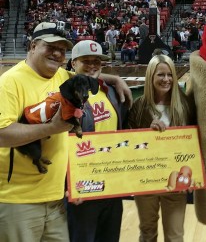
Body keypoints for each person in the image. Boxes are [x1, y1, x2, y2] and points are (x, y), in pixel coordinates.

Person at [0, 22, 132, 242]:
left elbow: (86, 76)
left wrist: (116, 79)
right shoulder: (9, 82)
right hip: (19, 201)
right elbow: (2, 134)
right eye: (50, 46)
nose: (57, 53)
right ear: (33, 46)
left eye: (62, 49)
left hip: (56, 200)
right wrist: (52, 128)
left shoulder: (60, 76)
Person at [128, 54, 195, 242]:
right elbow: (128, 143)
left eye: (169, 74)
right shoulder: (139, 106)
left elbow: (194, 143)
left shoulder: (185, 105)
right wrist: (147, 134)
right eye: (160, 75)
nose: (166, 79)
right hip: (146, 182)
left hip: (176, 184)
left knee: (175, 236)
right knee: (147, 232)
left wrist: (193, 175)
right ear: (151, 76)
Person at [67, 40, 128, 242]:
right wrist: (68, 184)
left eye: (97, 61)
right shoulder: (63, 95)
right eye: (86, 61)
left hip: (112, 183)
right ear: (73, 63)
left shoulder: (109, 90)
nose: (93, 65)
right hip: (83, 186)